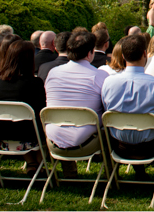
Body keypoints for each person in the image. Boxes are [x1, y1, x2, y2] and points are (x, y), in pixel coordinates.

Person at [100, 34, 154, 178]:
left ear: (123, 56)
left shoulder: (108, 82)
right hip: (149, 146)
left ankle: (114, 174)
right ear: (145, 54)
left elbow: (107, 113)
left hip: (119, 145)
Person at [43, 31, 108, 178]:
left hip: (54, 141)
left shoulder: (53, 73)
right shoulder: (100, 76)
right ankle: (110, 174)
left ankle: (69, 170)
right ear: (90, 52)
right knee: (108, 121)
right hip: (87, 143)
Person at [0, 40, 46, 174]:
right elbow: (41, 111)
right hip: (28, 138)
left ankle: (33, 164)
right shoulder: (35, 83)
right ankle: (37, 165)